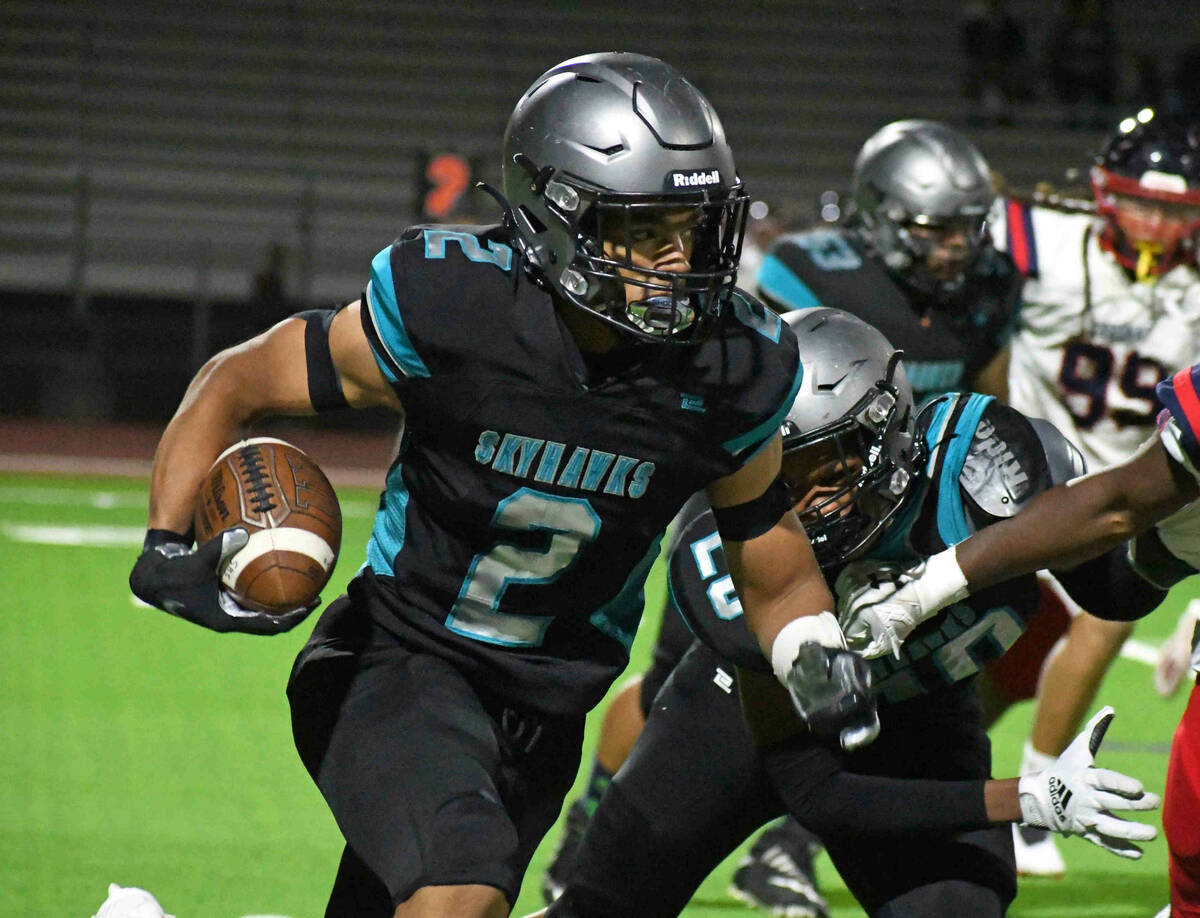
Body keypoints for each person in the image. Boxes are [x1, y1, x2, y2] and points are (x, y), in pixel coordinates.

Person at [125, 52, 876, 918]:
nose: (681, 261)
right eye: (646, 230)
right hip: (399, 663)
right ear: (555, 222)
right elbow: (236, 381)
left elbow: (764, 540)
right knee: (459, 891)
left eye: (695, 228)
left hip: (548, 713)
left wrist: (810, 645)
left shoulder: (732, 369)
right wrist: (164, 541)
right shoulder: (458, 306)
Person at [530, 308, 1160, 918]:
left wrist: (1175, 538)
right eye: (766, 472)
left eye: (808, 467)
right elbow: (817, 793)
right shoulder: (733, 558)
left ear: (880, 433)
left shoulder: (983, 467)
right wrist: (1025, 798)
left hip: (922, 720)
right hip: (734, 723)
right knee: (605, 908)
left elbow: (1117, 584)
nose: (787, 502)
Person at [542, 119, 1023, 915]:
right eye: (932, 230)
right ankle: (594, 829)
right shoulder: (813, 272)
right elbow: (737, 365)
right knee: (682, 682)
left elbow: (987, 390)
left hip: (896, 510)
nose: (952, 251)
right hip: (770, 495)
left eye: (962, 231)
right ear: (879, 217)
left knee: (866, 691)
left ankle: (784, 850)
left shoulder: (989, 286)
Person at [837, 360, 1200, 915]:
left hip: (1080, 496)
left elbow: (1124, 516)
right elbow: (1132, 549)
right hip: (1051, 483)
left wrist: (925, 588)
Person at [986, 109, 1200, 876]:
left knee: (1100, 619)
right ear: (1104, 195)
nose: (1154, 224)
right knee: (978, 660)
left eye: (1176, 213)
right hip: (1012, 475)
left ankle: (1033, 801)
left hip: (1120, 496)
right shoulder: (1044, 241)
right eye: (1142, 202)